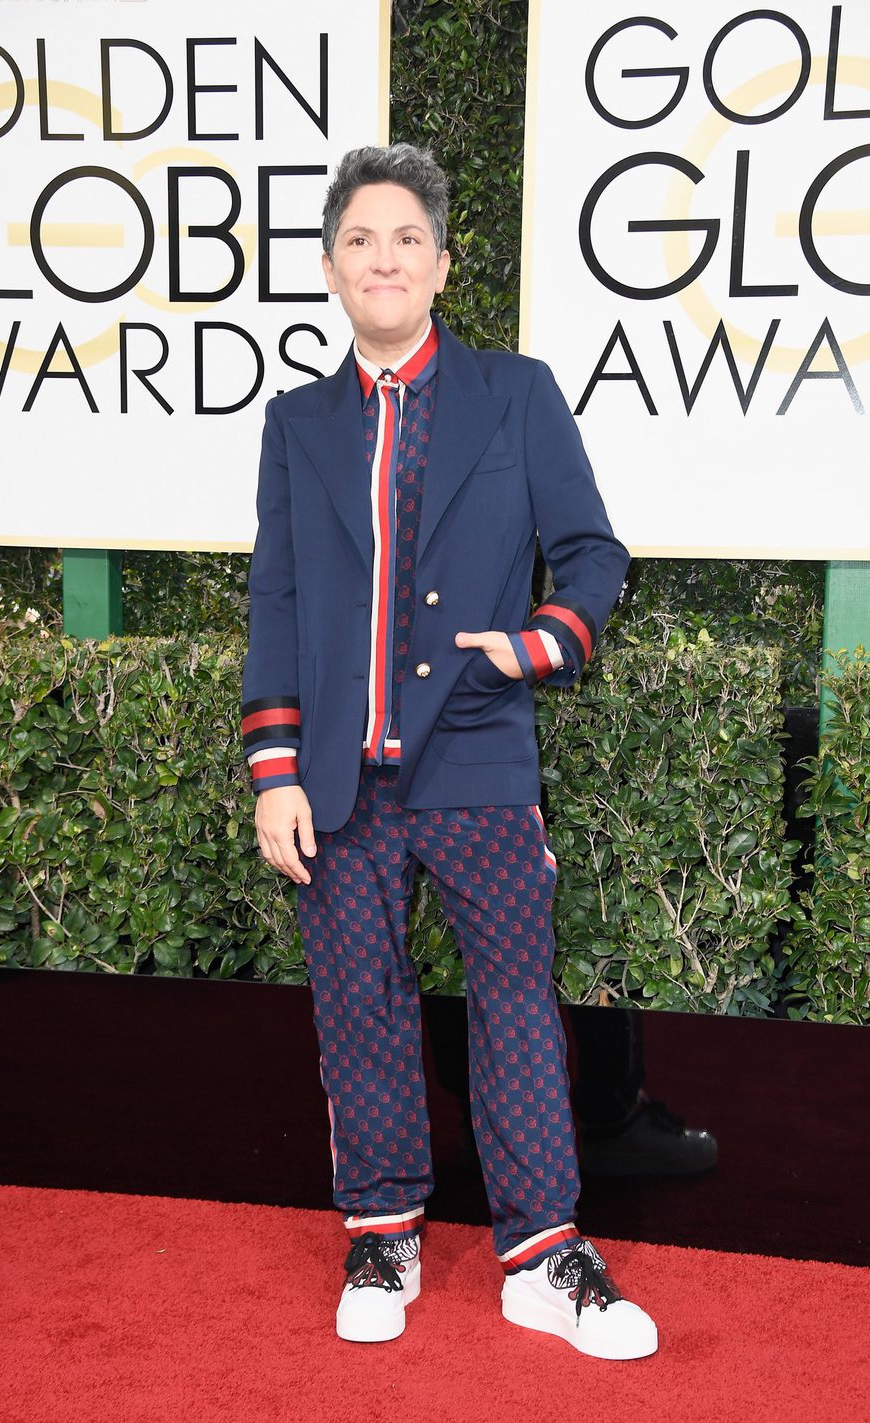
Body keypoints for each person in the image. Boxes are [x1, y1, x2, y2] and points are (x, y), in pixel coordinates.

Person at [241, 143, 657, 1359]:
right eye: (361, 240)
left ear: (440, 264)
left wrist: (534, 645)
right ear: (331, 268)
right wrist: (274, 767)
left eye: (406, 239)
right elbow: (277, 598)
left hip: (477, 749)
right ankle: (383, 1230)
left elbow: (592, 554)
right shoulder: (296, 423)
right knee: (357, 1006)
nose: (385, 258)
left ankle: (541, 1254)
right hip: (336, 778)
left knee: (518, 1007)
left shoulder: (515, 393)